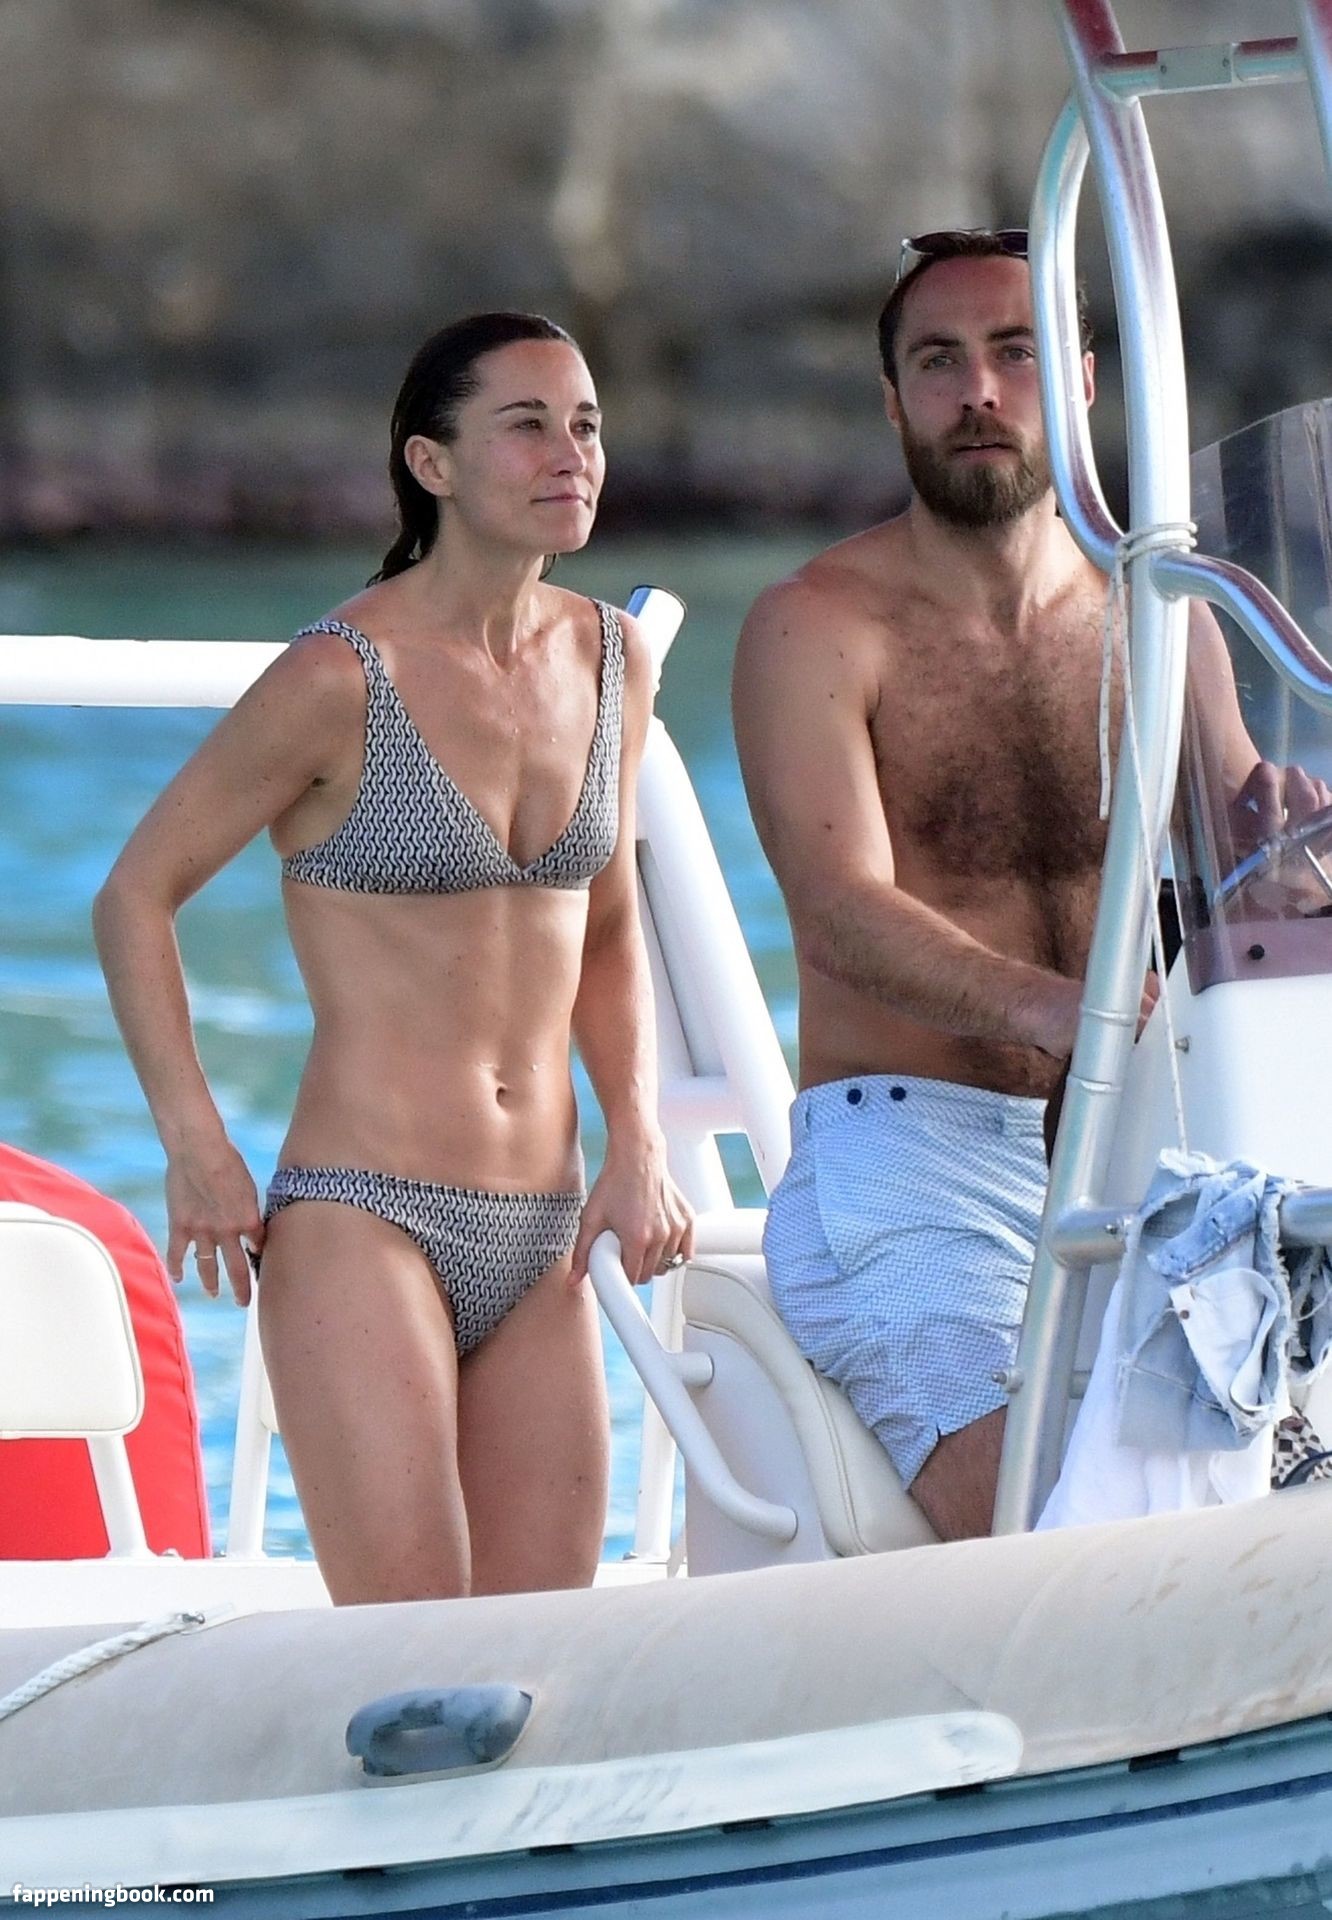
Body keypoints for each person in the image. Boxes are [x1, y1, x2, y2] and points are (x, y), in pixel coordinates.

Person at [733, 230, 1326, 1544]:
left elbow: (1245, 860)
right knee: (1041, 1525)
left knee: (1282, 1478)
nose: (981, 393)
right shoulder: (815, 626)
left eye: (1017, 353)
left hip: (1144, 1139)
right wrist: (1060, 1010)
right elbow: (839, 911)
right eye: (939, 363)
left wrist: (1292, 855)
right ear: (894, 401)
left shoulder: (1164, 610)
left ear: (1083, 380)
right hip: (914, 1159)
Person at [94, 310, 692, 1605]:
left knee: (539, 1648)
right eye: (526, 425)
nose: (571, 453)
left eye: (586, 424)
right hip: (366, 1217)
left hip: (542, 1229)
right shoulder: (337, 677)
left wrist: (638, 1141)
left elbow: (604, 925)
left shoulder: (612, 660)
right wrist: (197, 1146)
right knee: (415, 1648)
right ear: (433, 464)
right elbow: (135, 896)